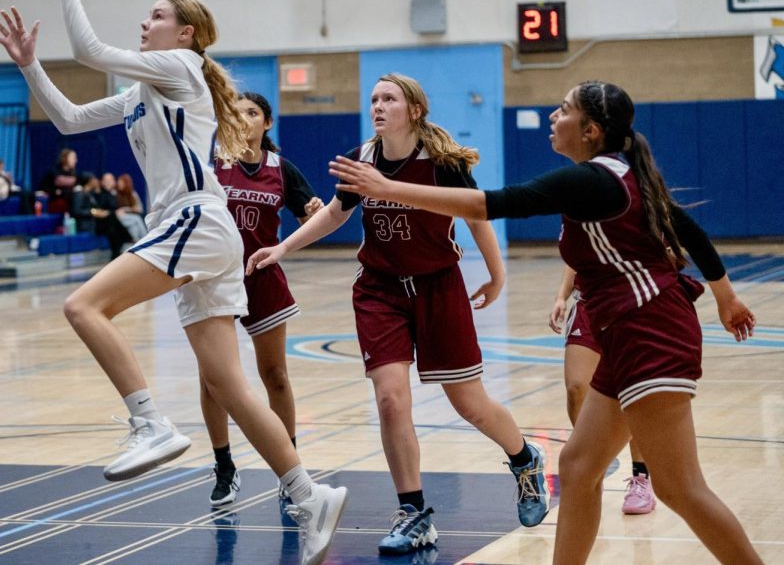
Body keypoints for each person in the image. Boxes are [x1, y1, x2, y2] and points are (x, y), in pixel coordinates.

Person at [0, 0, 347, 565]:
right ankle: (307, 492)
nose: (145, 23)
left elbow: (89, 47)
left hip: (193, 219)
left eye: (156, 16)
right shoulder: (144, 91)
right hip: (201, 232)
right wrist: (28, 66)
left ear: (186, 34)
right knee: (230, 387)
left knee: (83, 308)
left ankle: (149, 421)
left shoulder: (180, 69)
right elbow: (70, 120)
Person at [324, 80, 762, 565]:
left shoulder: (590, 180)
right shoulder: (613, 175)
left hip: (650, 330)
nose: (554, 116)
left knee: (681, 489)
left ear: (590, 130)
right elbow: (688, 228)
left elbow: (486, 205)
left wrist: (386, 187)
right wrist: (726, 298)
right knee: (576, 468)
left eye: (564, 110)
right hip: (622, 334)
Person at [248, 74, 549, 555]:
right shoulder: (364, 158)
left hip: (437, 287)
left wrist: (496, 275)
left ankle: (524, 458)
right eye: (373, 99)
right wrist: (281, 247)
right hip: (379, 290)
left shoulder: (443, 163)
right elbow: (336, 212)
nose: (378, 106)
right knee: (390, 400)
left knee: (468, 402)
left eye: (389, 99)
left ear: (414, 110)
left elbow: (476, 215)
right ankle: (414, 512)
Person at [204, 92, 323, 507]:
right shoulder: (211, 166)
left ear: (267, 122)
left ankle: (288, 466)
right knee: (214, 378)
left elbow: (312, 220)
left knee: (275, 375)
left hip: (263, 279)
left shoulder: (281, 169)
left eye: (252, 112)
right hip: (215, 278)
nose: (243, 118)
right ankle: (224, 466)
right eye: (235, 113)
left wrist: (312, 210)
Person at [549, 266, 655, 514]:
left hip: (633, 307)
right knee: (576, 388)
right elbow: (573, 258)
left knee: (632, 394)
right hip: (590, 306)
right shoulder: (580, 225)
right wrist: (560, 297)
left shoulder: (648, 226)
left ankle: (641, 478)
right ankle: (591, 468)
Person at [38, 148, 78, 214]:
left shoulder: (73, 173)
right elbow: (45, 187)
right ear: (65, 158)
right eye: (73, 158)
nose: (76, 160)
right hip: (54, 201)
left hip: (68, 200)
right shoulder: (54, 172)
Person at [113, 173, 149, 241]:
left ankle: (136, 241)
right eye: (119, 182)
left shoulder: (132, 194)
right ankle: (145, 239)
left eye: (121, 182)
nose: (119, 184)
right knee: (136, 219)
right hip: (118, 217)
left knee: (134, 226)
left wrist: (126, 209)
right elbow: (115, 210)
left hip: (129, 217)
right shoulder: (115, 193)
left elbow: (139, 209)